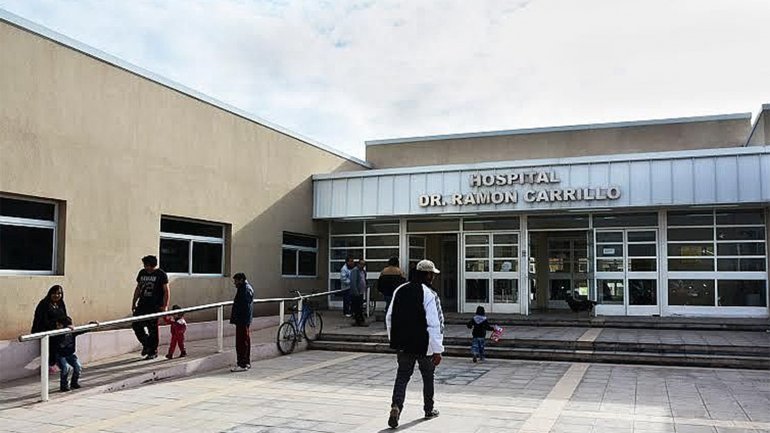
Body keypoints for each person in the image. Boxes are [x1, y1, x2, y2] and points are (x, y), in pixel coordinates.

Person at [386, 259, 444, 429]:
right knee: (428, 376)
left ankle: (396, 406)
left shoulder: (400, 290)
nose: (433, 277)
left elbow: (389, 317)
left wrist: (394, 340)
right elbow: (435, 323)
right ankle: (428, 409)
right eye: (432, 274)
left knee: (402, 376)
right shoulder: (429, 294)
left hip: (403, 344)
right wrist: (438, 350)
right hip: (424, 345)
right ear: (427, 275)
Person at [131, 255, 170, 360]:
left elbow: (166, 291)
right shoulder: (142, 273)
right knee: (136, 325)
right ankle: (147, 344)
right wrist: (134, 302)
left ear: (152, 265)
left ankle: (153, 351)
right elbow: (138, 288)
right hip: (142, 304)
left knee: (152, 329)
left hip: (154, 306)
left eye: (147, 265)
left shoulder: (161, 274)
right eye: (145, 265)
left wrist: (165, 306)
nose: (145, 267)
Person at [31, 285, 68, 369]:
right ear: (50, 294)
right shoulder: (44, 304)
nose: (57, 295)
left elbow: (64, 317)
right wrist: (55, 325)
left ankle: (57, 362)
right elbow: (42, 320)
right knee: (53, 342)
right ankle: (51, 363)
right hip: (43, 329)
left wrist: (67, 323)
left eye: (59, 293)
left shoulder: (60, 303)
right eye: (54, 293)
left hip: (57, 331)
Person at [230, 272, 254, 372]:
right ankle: (246, 362)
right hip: (244, 319)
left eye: (236, 281)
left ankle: (242, 364)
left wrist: (237, 317)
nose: (234, 283)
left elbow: (242, 306)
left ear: (241, 280)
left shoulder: (244, 289)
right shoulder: (247, 288)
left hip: (242, 320)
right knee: (245, 341)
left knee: (241, 342)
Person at [52, 316, 83, 392]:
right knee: (66, 368)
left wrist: (91, 324)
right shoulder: (57, 333)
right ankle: (64, 385)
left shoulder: (72, 332)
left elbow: (83, 330)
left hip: (70, 354)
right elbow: (55, 342)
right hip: (60, 355)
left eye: (59, 325)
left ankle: (74, 383)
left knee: (78, 367)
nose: (57, 327)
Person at [350, 259, 368, 327]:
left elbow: (363, 279)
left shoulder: (363, 271)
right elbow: (353, 282)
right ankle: (359, 321)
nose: (362, 266)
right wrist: (356, 291)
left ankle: (360, 321)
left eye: (364, 264)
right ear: (358, 264)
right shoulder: (355, 271)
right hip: (356, 292)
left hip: (361, 292)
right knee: (357, 308)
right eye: (361, 264)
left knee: (360, 307)